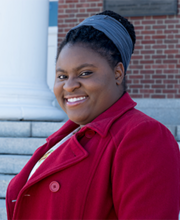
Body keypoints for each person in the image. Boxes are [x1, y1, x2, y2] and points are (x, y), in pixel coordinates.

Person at [6, 10, 180, 220]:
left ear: (118, 73)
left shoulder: (144, 137)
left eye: (85, 73)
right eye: (62, 75)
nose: (69, 86)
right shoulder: (64, 139)